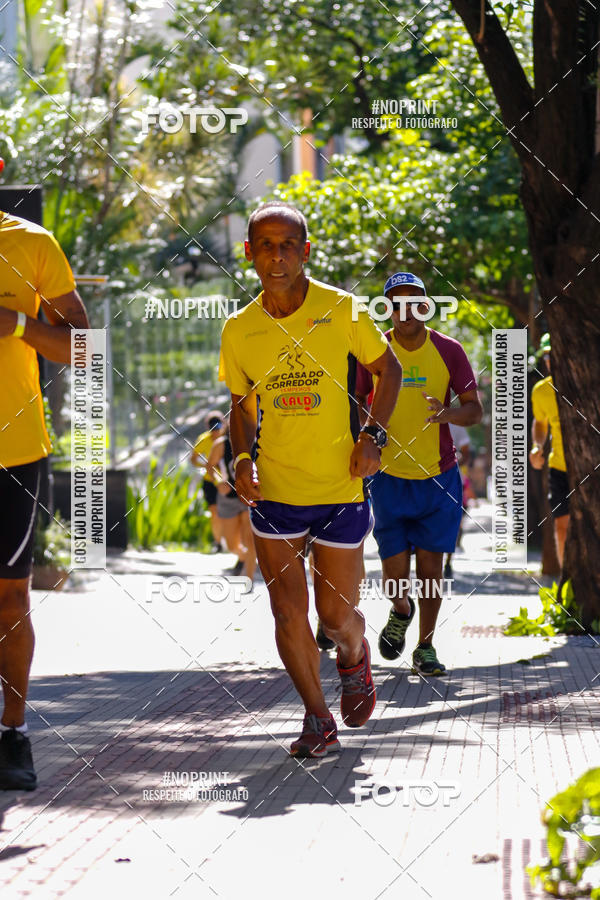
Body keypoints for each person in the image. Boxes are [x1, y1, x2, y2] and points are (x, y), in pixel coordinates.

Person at [219, 200, 402, 757]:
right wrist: (240, 459)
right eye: (266, 246)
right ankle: (317, 718)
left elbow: (387, 368)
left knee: (336, 616)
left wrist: (372, 437)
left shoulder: (342, 309)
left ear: (306, 250)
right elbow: (241, 403)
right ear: (249, 252)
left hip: (338, 490)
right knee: (286, 612)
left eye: (288, 245)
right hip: (274, 493)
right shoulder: (240, 329)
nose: (277, 257)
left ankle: (354, 658)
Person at [0, 158, 90, 790]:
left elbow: (84, 348)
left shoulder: (31, 244)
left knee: (8, 597)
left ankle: (12, 734)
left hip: (15, 452)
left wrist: (19, 325)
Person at [356, 272, 482, 676]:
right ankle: (400, 610)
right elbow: (355, 399)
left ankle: (425, 647)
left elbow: (474, 410)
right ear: (387, 308)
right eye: (395, 302)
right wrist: (368, 435)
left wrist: (446, 414)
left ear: (425, 306)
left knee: (431, 569)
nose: (403, 310)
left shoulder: (449, 350)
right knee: (395, 574)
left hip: (437, 478)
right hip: (388, 477)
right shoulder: (375, 351)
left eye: (413, 301)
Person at [529, 333, 569, 567]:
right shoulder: (542, 390)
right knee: (562, 526)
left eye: (552, 354)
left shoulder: (589, 383)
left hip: (590, 468)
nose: (549, 360)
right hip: (559, 468)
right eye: (546, 356)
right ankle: (567, 586)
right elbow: (540, 423)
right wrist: (536, 446)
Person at [206, 421, 256, 581]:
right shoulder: (222, 444)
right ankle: (241, 557)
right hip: (228, 497)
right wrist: (219, 482)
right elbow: (210, 466)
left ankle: (249, 579)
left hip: (249, 497)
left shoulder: (256, 443)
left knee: (250, 541)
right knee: (232, 545)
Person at [191, 410, 225, 553]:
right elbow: (193, 459)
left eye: (218, 426)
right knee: (214, 512)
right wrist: (206, 465)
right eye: (213, 427)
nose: (216, 431)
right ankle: (218, 542)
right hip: (210, 481)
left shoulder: (227, 439)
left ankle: (233, 542)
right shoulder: (203, 439)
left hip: (227, 481)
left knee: (233, 513)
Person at [443, 423, 472, 579]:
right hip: (429, 481)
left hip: (454, 482)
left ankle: (448, 561)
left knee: (454, 522)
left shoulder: (457, 425)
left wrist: (450, 465)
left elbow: (466, 454)